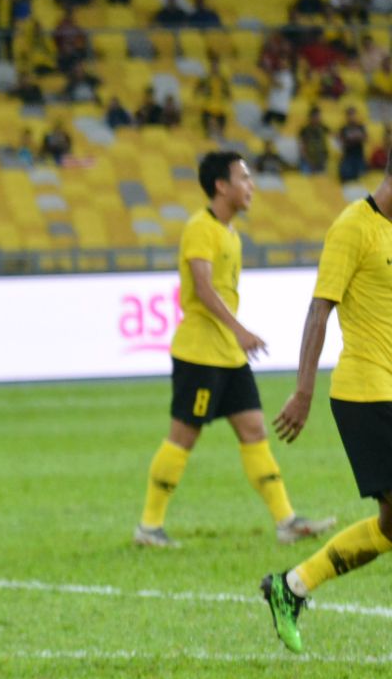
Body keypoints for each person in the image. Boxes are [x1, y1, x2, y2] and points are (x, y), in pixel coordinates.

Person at [136, 153, 334, 548]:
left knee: (254, 429)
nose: (252, 186)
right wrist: (240, 330)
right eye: (244, 178)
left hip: (229, 355)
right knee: (183, 436)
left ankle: (286, 521)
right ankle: (149, 526)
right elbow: (203, 288)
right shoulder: (200, 228)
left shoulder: (231, 234)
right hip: (199, 354)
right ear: (221, 185)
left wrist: (236, 338)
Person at [263, 166, 392, 651]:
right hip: (365, 393)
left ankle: (291, 586)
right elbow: (320, 308)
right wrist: (303, 391)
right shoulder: (352, 226)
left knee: (390, 527)